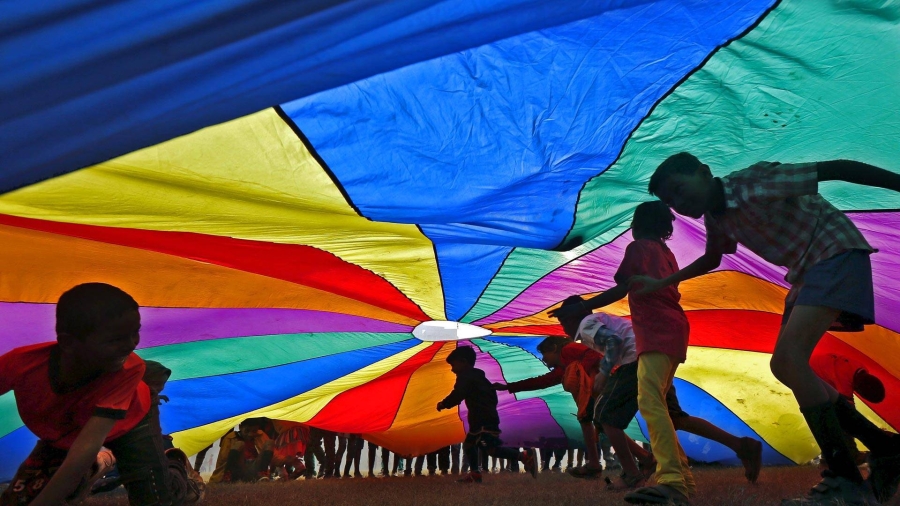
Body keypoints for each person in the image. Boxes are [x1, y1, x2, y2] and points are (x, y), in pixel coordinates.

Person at [641, 153, 900, 504]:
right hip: (807, 274)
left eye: (680, 190)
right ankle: (884, 448)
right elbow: (712, 258)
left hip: (834, 252)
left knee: (788, 362)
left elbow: (837, 168)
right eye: (671, 202)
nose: (680, 203)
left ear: (704, 173)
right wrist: (662, 283)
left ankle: (846, 480)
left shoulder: (753, 183)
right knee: (788, 367)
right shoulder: (716, 217)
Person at [0, 282, 204, 505]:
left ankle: (176, 474)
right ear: (69, 342)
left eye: (134, 333)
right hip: (67, 434)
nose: (130, 346)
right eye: (115, 339)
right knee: (18, 500)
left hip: (132, 422)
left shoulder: (129, 369)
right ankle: (99, 464)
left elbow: (84, 450)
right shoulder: (20, 365)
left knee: (153, 496)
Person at [549, 201, 694, 504]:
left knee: (651, 404)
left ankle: (672, 481)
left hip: (656, 330)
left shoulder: (639, 247)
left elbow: (621, 289)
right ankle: (681, 477)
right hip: (676, 328)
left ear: (636, 225)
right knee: (659, 406)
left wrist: (582, 305)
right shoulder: (667, 253)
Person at [553, 296, 763, 491]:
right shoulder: (603, 319)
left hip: (635, 364)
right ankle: (741, 445)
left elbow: (613, 342)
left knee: (605, 416)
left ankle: (632, 473)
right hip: (654, 357)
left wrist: (604, 373)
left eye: (562, 320)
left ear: (573, 317)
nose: (562, 326)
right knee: (675, 418)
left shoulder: (587, 323)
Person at [493, 336, 605, 478]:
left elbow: (594, 355)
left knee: (604, 424)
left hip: (605, 385)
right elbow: (542, 381)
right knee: (591, 421)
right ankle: (594, 465)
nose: (544, 360)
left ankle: (600, 465)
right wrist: (509, 386)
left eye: (544, 354)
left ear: (554, 348)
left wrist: (579, 371)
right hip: (596, 391)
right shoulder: (563, 368)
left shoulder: (568, 350)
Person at [436, 346, 537, 483]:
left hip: (482, 421)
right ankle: (476, 473)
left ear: (463, 362)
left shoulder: (465, 377)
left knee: (487, 448)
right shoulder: (481, 379)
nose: (452, 369)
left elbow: (458, 394)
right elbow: (492, 398)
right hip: (485, 419)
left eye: (453, 365)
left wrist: (444, 404)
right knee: (475, 446)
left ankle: (524, 456)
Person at [810, 353, 893, 466]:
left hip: (820, 373)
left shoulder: (861, 368)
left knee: (834, 419)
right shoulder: (844, 380)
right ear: (859, 390)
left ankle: (829, 456)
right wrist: (875, 433)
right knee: (839, 420)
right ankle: (849, 455)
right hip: (809, 377)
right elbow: (848, 415)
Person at [221, 418, 275, 483]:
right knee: (240, 444)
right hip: (239, 468)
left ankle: (262, 475)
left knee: (270, 442)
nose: (250, 434)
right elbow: (223, 460)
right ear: (240, 427)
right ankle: (228, 477)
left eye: (254, 431)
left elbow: (271, 455)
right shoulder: (230, 438)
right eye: (247, 431)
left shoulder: (261, 435)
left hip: (255, 467)